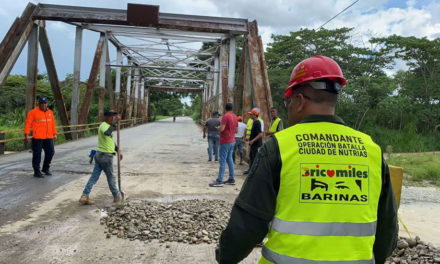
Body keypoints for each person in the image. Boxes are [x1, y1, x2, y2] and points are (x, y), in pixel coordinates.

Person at [216, 56, 398, 264]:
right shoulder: (371, 150)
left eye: (288, 102)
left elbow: (247, 225)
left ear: (300, 101)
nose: (288, 108)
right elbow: (388, 229)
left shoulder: (280, 147)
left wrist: (225, 257)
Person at [79, 110, 123, 205]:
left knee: (94, 176)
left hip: (101, 155)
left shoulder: (108, 126)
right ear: (106, 117)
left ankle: (85, 195)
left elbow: (110, 140)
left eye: (114, 117)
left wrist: (118, 150)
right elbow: (107, 133)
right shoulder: (103, 126)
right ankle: (116, 195)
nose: (113, 118)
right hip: (105, 156)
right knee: (111, 176)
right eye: (112, 117)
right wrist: (115, 123)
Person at [24, 96, 57, 178]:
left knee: (51, 152)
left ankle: (45, 168)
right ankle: (36, 171)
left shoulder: (50, 112)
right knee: (37, 155)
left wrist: (55, 133)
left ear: (47, 103)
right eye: (41, 103)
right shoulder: (33, 112)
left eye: (45, 103)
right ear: (39, 104)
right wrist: (27, 134)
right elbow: (28, 124)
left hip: (48, 137)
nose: (43, 105)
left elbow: (52, 124)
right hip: (37, 138)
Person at [209, 103, 238, 187]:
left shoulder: (225, 116)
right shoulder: (235, 117)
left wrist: (218, 128)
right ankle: (231, 179)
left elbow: (222, 129)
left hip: (225, 140)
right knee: (230, 159)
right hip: (232, 140)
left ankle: (219, 180)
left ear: (225, 108)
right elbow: (236, 130)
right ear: (232, 108)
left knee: (222, 160)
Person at [243, 109, 263, 175]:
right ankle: (251, 170)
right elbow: (255, 133)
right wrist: (248, 138)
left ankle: (254, 172)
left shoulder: (257, 123)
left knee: (254, 158)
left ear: (255, 115)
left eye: (251, 114)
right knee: (251, 157)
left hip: (256, 144)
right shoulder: (254, 122)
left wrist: (252, 140)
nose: (250, 115)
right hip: (253, 144)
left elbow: (260, 134)